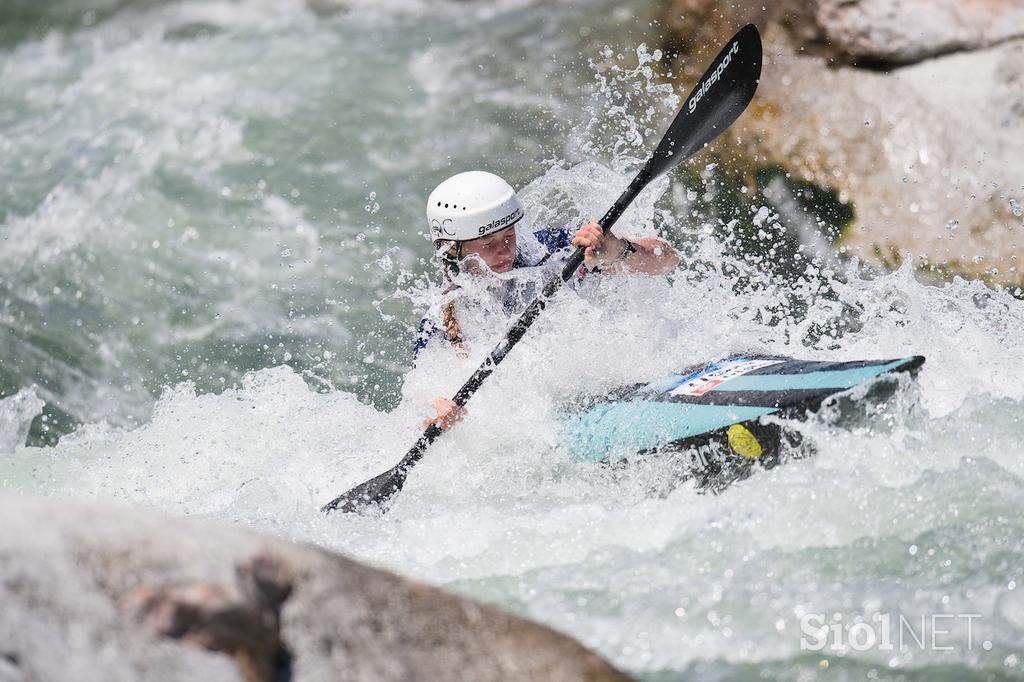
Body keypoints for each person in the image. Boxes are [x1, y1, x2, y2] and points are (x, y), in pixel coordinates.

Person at [415, 170, 679, 429]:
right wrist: (441, 408)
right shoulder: (441, 320)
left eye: (509, 235)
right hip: (534, 427)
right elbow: (422, 389)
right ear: (453, 249)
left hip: (606, 388)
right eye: (488, 243)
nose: (504, 250)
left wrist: (618, 250)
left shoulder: (551, 251)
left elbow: (667, 260)